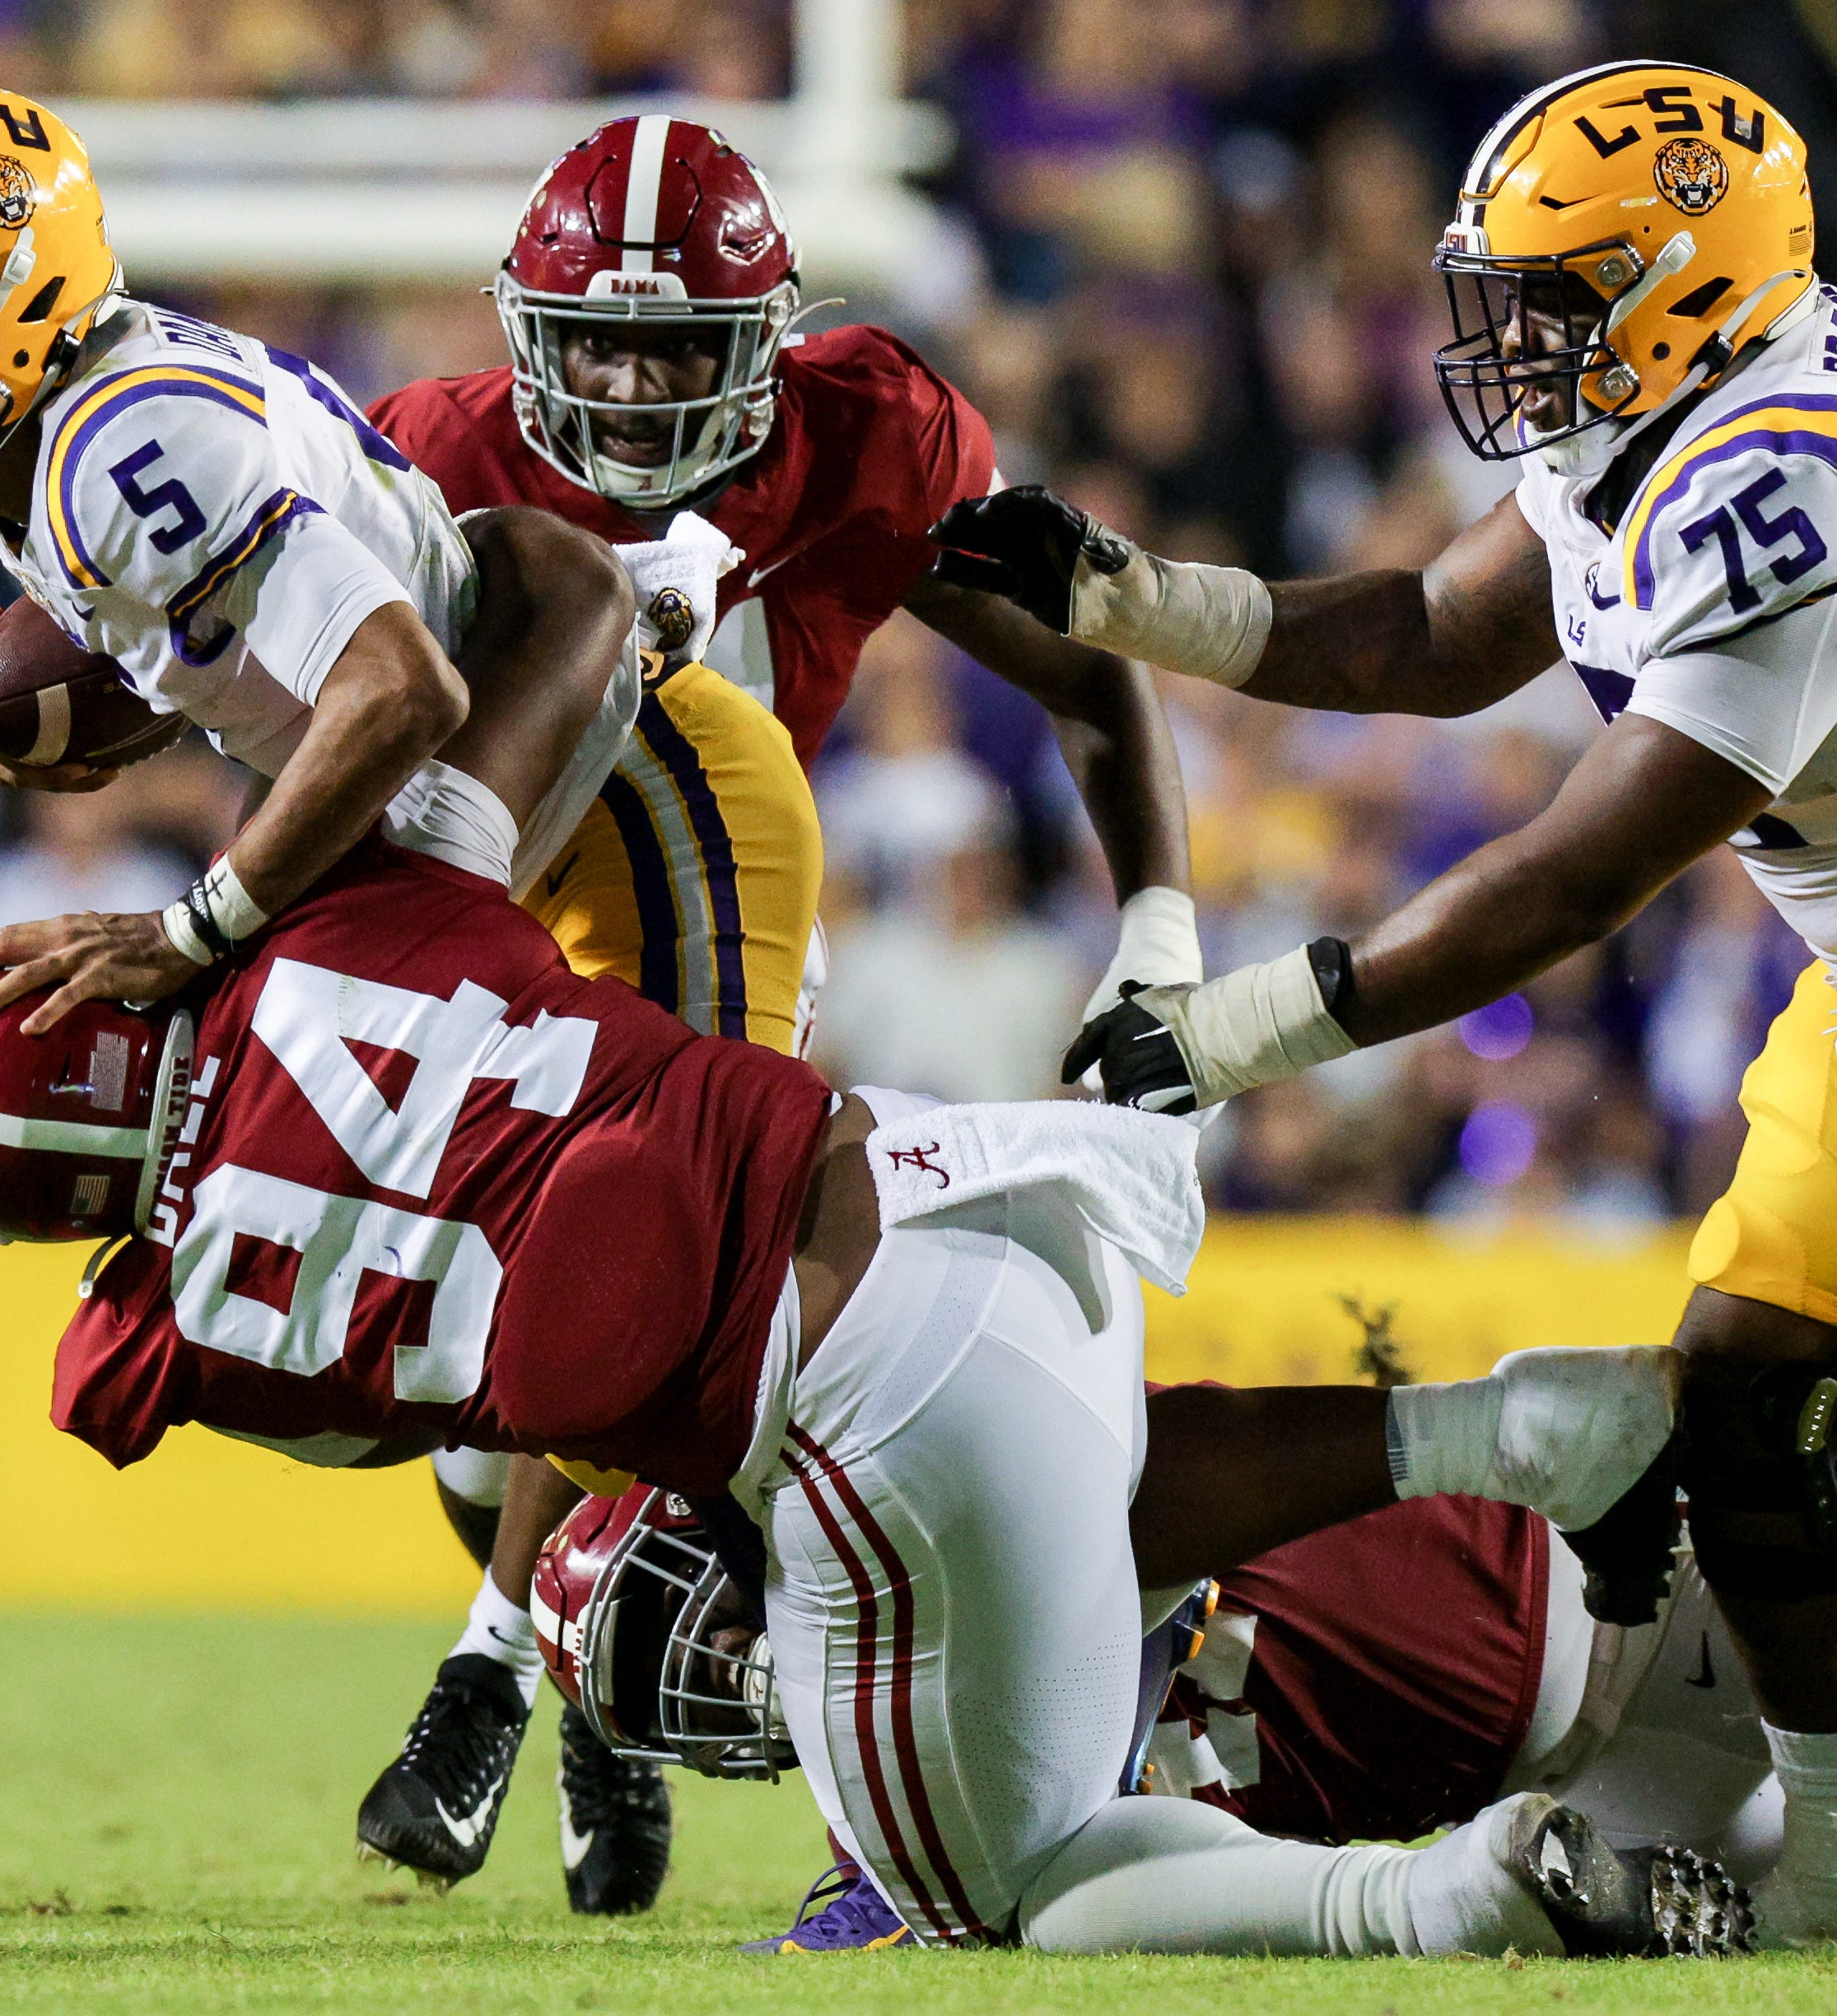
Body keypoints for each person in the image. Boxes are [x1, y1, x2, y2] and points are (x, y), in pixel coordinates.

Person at [0, 824, 1749, 1956]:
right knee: (1100, 1500)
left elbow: (434, 1394)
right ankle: (1501, 1429)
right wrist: (221, 904)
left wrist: (512, 1634)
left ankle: (1450, 1902)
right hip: (973, 1178)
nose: (718, 1679)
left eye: (693, 1646)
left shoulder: (150, 1338)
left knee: (995, 1891)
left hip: (860, 1397)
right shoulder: (352, 915)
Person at [931, 61, 1837, 1948]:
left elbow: (1570, 877)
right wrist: (1127, 598)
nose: (1507, 341)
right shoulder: (1673, 404)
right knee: (1740, 1399)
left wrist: (1235, 1033)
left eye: (1551, 297)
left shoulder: (1785, 477)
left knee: (1764, 1408)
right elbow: (1434, 633)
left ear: (1683, 286)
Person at [357, 114, 1196, 1905]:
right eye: (598, 345)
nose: (632, 387)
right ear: (525, 331)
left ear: (762, 341)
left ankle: (493, 1670)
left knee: (632, 1255)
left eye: (677, 347)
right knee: (481, 1395)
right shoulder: (430, 452)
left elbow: (1091, 679)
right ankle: (573, 1642)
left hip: (727, 880)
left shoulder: (864, 441)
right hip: (483, 899)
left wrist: (1159, 918)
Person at [0, 84, 641, 1060]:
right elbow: (239, 639)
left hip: (578, 768)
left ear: (15, 298)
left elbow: (401, 687)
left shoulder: (122, 447)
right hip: (445, 768)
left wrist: (185, 930)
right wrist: (118, 699)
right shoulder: (23, 433)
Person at [543, 1387, 1775, 1951]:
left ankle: (1452, 1898)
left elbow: (1098, 1574)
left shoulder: (923, 1487)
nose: (705, 1673)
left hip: (1606, 1582)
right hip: (1578, 1800)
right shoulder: (899, 1818)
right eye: (651, 1692)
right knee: (1041, 1908)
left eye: (669, 1626)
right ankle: (1467, 1894)